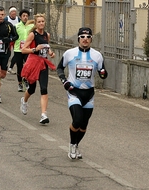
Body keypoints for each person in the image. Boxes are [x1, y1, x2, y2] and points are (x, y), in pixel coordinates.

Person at [56, 27, 108, 159]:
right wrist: (64, 81)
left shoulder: (97, 55)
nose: (85, 39)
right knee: (77, 120)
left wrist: (103, 74)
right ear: (78, 38)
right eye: (83, 37)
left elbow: (103, 73)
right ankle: (72, 145)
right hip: (74, 92)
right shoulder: (69, 53)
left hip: (89, 94)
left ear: (91, 39)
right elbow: (60, 68)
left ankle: (76, 144)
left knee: (84, 126)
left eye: (88, 37)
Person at [20, 13, 56, 124]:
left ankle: (43, 114)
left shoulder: (47, 35)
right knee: (32, 89)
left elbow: (46, 46)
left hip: (43, 64)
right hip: (33, 63)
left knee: (44, 88)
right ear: (36, 23)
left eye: (43, 21)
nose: (41, 23)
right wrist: (35, 49)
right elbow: (23, 50)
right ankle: (24, 101)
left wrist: (50, 52)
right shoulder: (32, 34)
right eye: (39, 22)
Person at [13, 9, 34, 92]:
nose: (25, 18)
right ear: (20, 17)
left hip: (28, 49)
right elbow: (14, 37)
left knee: (28, 66)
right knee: (19, 67)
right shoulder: (16, 26)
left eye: (26, 16)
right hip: (18, 49)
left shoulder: (31, 26)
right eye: (23, 16)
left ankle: (26, 80)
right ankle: (20, 83)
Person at [6, 6, 20, 74]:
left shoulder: (18, 19)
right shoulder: (7, 19)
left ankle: (11, 67)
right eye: (13, 12)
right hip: (9, 38)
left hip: (16, 38)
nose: (14, 13)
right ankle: (5, 66)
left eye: (15, 12)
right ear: (10, 13)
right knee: (7, 53)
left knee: (16, 53)